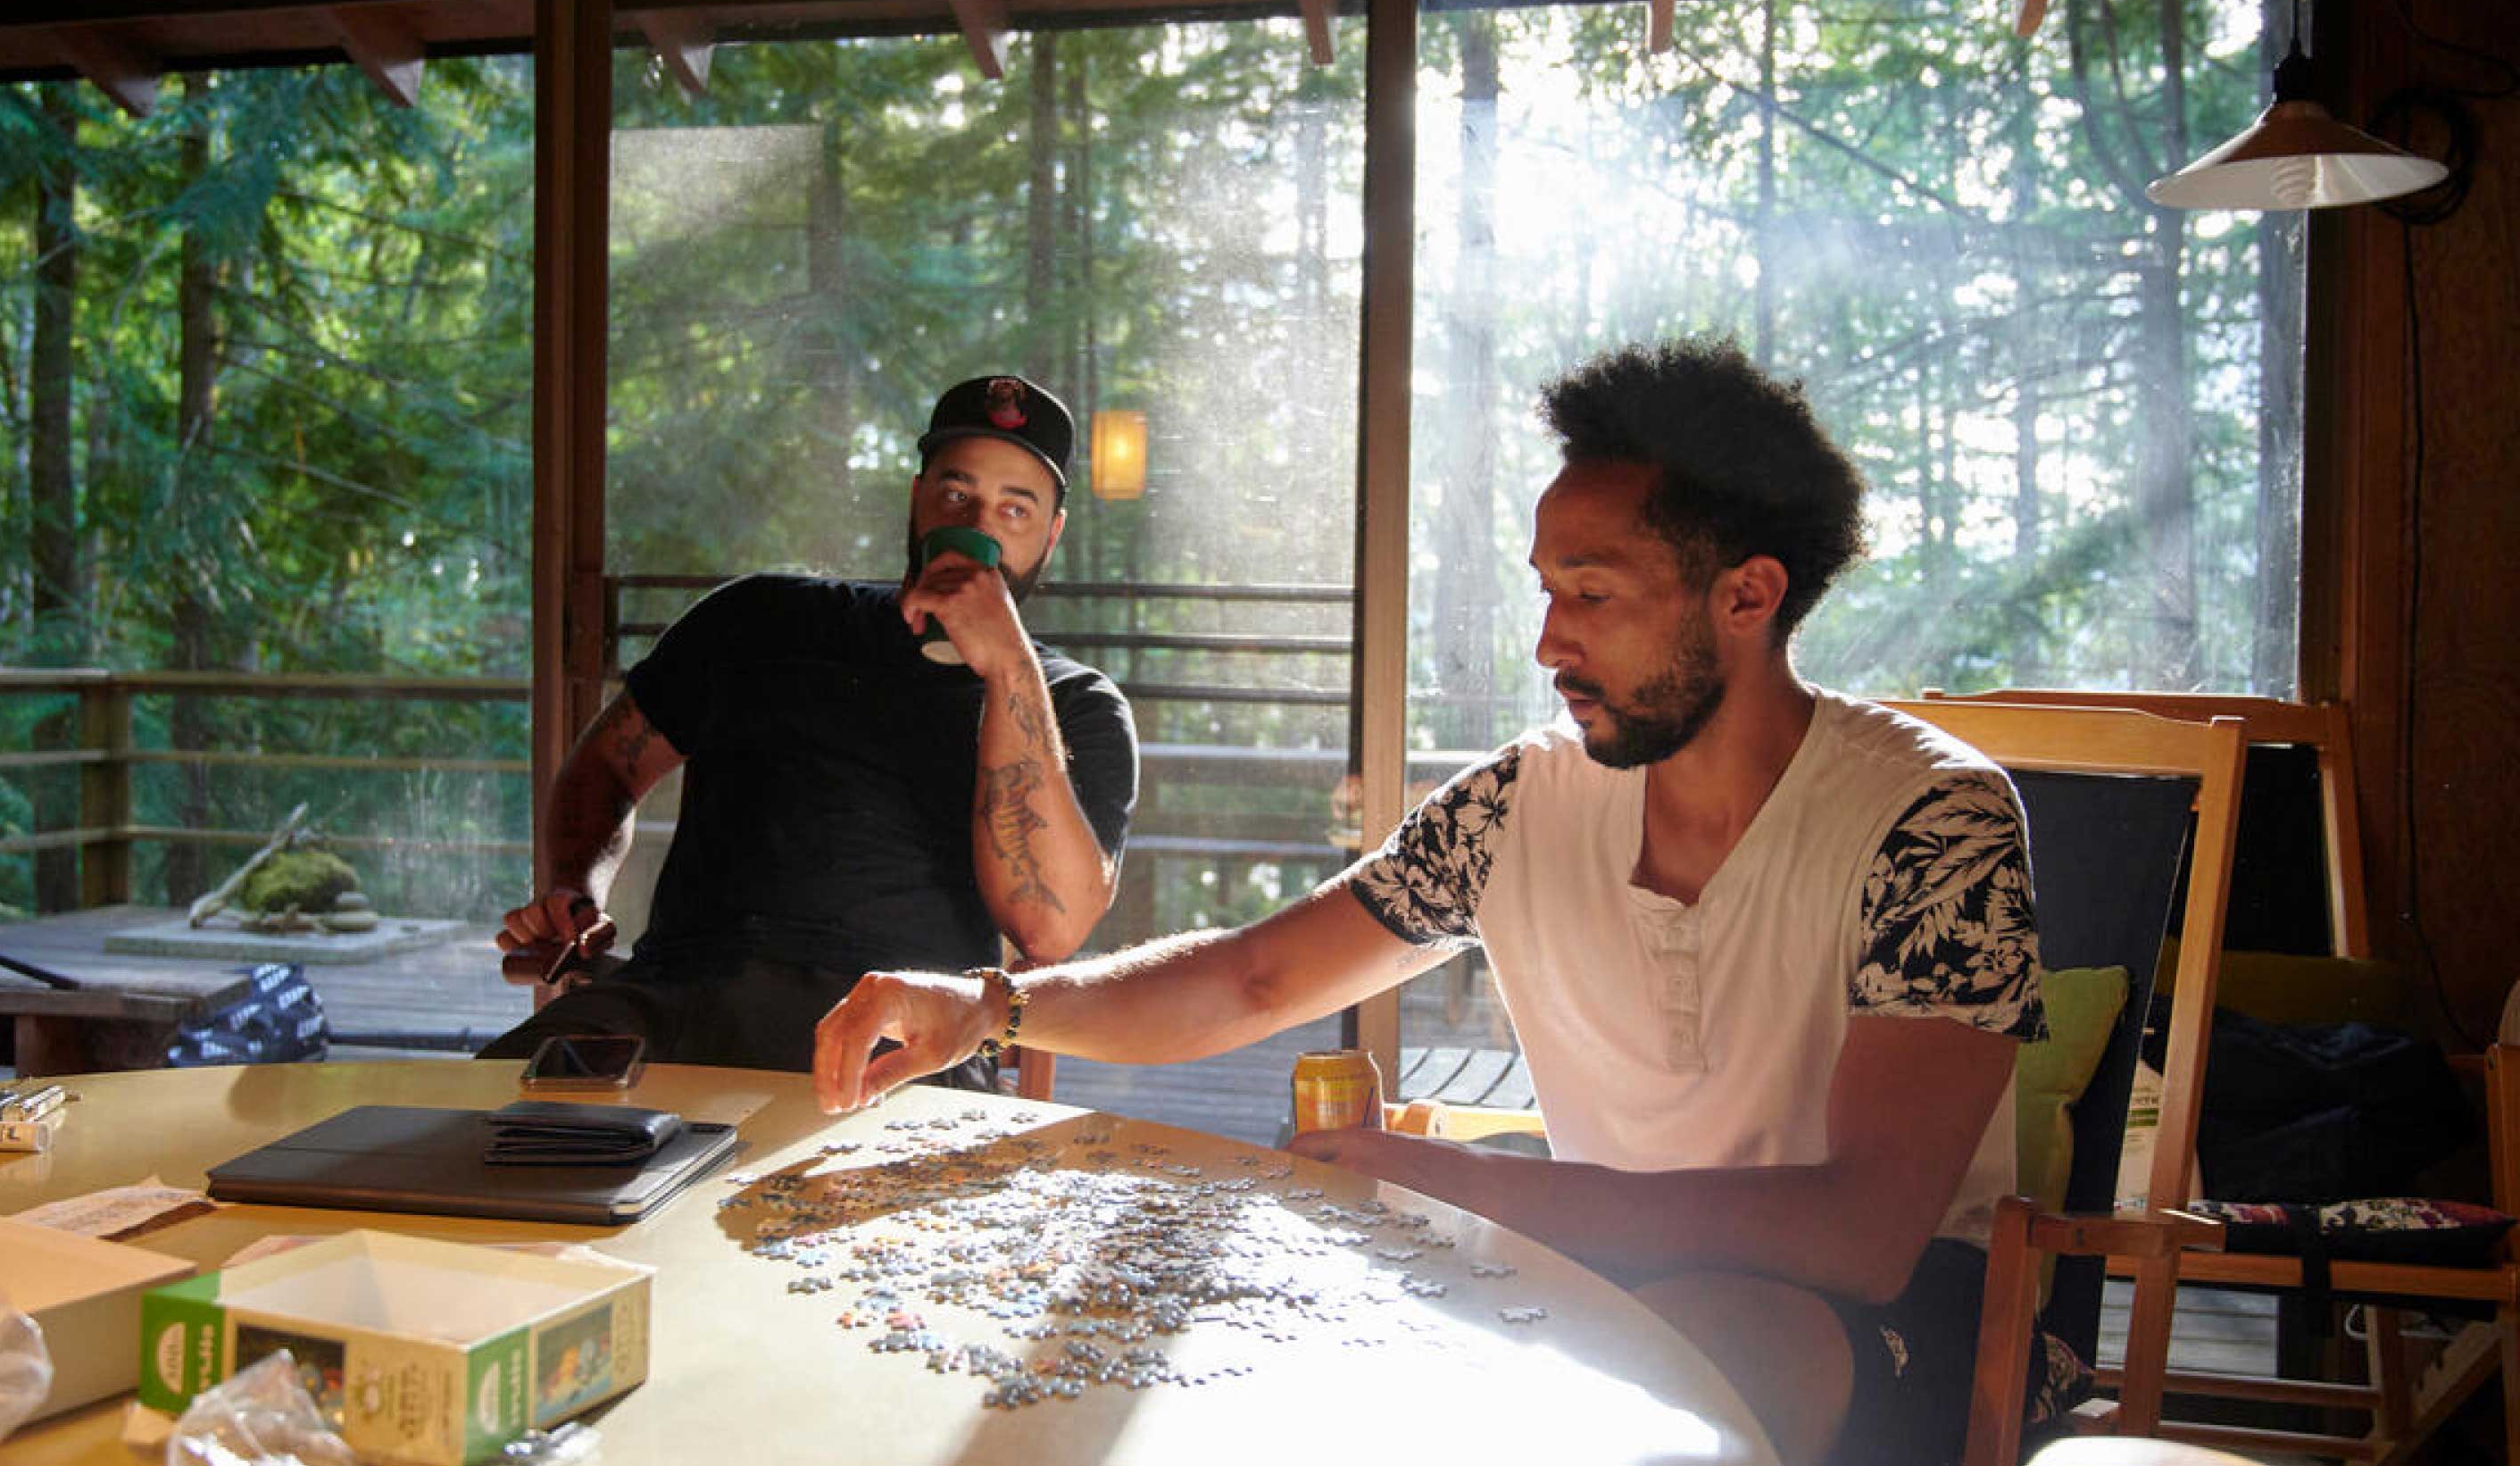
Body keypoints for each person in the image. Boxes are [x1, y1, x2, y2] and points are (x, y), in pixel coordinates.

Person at [811, 337, 2046, 1466]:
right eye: (1545, 588)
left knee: (1632, 1398)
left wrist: (1467, 1181)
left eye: (1593, 592)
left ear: (1747, 594)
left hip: (1876, 1326)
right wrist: (990, 1004)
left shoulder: (1934, 820)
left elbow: (1861, 1232)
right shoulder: (1517, 803)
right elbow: (1253, 978)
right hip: (1598, 1281)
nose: (1550, 638)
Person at [483, 375, 1137, 1087]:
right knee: (462, 1133)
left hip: (895, 1035)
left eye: (1015, 509)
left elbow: (1048, 926)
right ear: (917, 497)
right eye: (956, 495)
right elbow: (606, 766)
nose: (978, 528)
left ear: (1052, 534)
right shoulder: (760, 617)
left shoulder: (1073, 703)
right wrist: (572, 891)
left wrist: (1008, 668)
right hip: (675, 999)